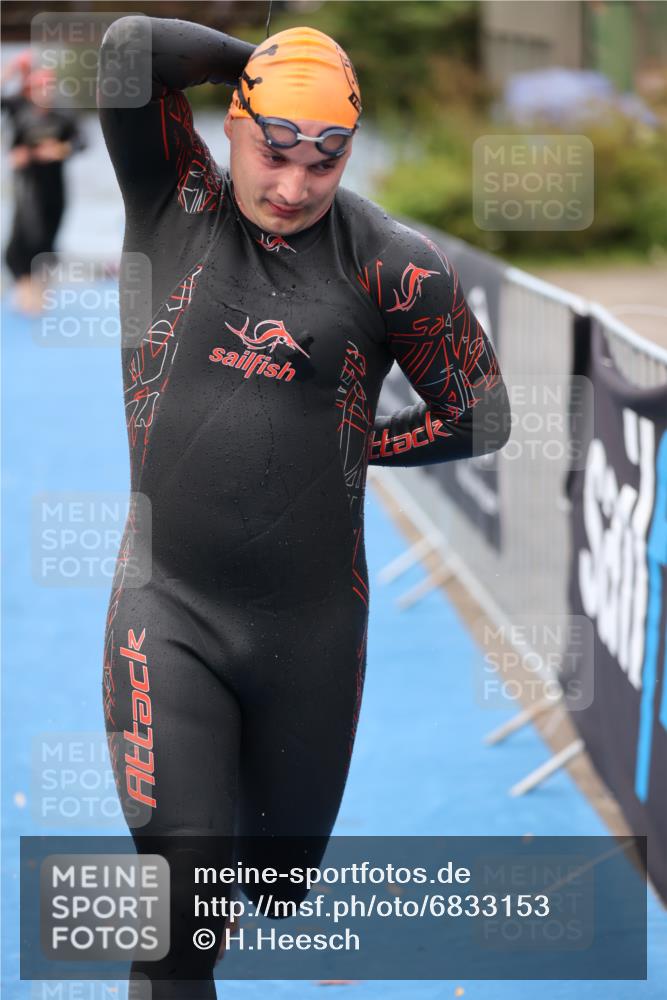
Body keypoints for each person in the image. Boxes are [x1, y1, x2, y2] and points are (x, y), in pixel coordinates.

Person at [97, 14, 511, 997]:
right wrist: (278, 64)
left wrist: (360, 444)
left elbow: (479, 415)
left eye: (322, 162)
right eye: (274, 149)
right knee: (183, 903)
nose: (290, 186)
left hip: (312, 631)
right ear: (232, 126)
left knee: (274, 885)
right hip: (170, 608)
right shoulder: (174, 200)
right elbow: (125, 50)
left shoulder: (390, 264)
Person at [2, 55, 85, 314]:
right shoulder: (19, 107)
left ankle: (39, 291)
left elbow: (82, 142)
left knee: (48, 237)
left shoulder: (62, 114)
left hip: (54, 185)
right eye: (39, 87)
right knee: (25, 235)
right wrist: (12, 69)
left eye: (49, 87)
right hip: (27, 184)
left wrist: (59, 150)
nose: (45, 92)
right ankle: (25, 288)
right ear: (30, 88)